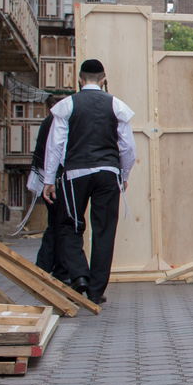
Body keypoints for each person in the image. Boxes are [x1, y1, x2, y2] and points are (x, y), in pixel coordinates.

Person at [41, 59, 136, 305]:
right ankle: (96, 290)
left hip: (76, 173)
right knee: (104, 230)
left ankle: (79, 274)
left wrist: (49, 180)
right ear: (104, 79)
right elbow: (127, 148)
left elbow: (55, 146)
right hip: (108, 172)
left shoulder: (67, 105)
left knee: (69, 225)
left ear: (80, 80)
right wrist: (123, 176)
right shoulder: (116, 105)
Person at [28, 111, 72, 287]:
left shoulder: (48, 121)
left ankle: (46, 267)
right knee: (62, 225)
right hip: (56, 180)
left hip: (48, 179)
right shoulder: (59, 121)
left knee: (55, 224)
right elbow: (57, 151)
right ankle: (54, 269)